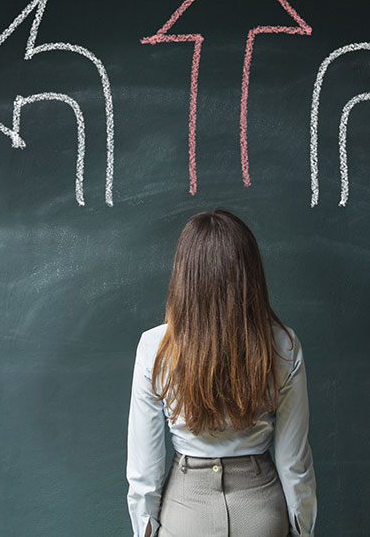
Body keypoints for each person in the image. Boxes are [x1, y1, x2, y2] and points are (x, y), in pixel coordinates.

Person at [126, 209, 317, 537]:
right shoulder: (284, 344)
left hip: (186, 514)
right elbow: (293, 463)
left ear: (184, 274)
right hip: (261, 512)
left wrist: (145, 530)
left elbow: (145, 471)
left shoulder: (154, 347)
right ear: (250, 273)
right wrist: (302, 528)